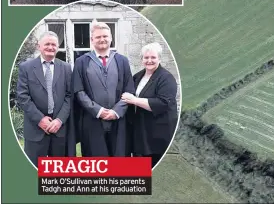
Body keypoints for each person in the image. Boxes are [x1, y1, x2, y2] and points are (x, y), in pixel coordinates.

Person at [71, 21, 135, 156]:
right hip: (92, 121)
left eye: (105, 36)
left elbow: (129, 89)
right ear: (92, 40)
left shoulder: (122, 61)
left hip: (118, 121)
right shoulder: (81, 62)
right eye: (98, 37)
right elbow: (79, 91)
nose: (102, 39)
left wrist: (116, 111)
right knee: (95, 164)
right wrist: (98, 111)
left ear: (111, 38)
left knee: (119, 165)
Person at [16, 31, 72, 165]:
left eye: (54, 44)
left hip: (59, 129)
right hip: (35, 129)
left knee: (58, 173)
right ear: (38, 46)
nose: (50, 47)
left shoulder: (65, 67)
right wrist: (40, 119)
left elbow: (70, 96)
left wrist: (59, 120)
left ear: (58, 47)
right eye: (47, 44)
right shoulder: (26, 67)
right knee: (33, 171)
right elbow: (22, 96)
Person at [122, 42, 178, 167]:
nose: (149, 60)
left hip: (157, 135)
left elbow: (163, 103)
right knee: (140, 170)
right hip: (141, 133)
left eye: (153, 57)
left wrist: (134, 100)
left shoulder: (166, 78)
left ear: (159, 58)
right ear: (141, 59)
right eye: (146, 57)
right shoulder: (138, 76)